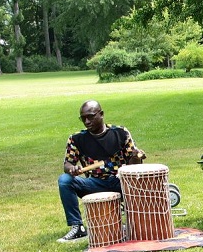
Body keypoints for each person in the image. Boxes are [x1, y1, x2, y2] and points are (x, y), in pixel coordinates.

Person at [57, 100, 145, 243]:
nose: (86, 121)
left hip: (122, 182)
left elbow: (133, 166)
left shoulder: (120, 133)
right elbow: (67, 164)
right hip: (95, 184)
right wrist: (72, 169)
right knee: (65, 180)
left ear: (101, 114)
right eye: (83, 118)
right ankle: (77, 227)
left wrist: (136, 156)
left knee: (135, 179)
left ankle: (137, 222)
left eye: (90, 116)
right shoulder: (76, 139)